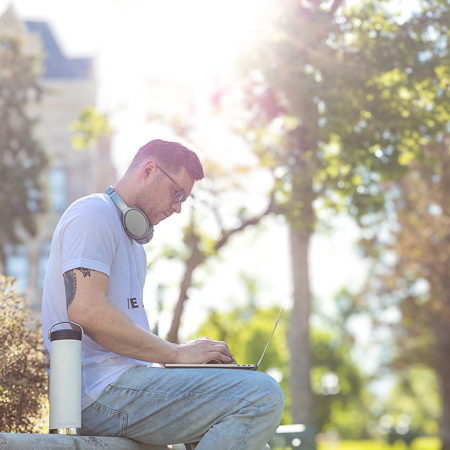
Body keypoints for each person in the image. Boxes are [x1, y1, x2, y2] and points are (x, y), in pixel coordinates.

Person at [42, 139, 285, 449]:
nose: (178, 208)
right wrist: (176, 354)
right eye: (177, 193)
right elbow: (86, 310)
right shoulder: (92, 214)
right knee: (261, 395)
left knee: (255, 439)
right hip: (100, 394)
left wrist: (182, 367)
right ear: (149, 170)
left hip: (128, 387)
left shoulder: (134, 247)